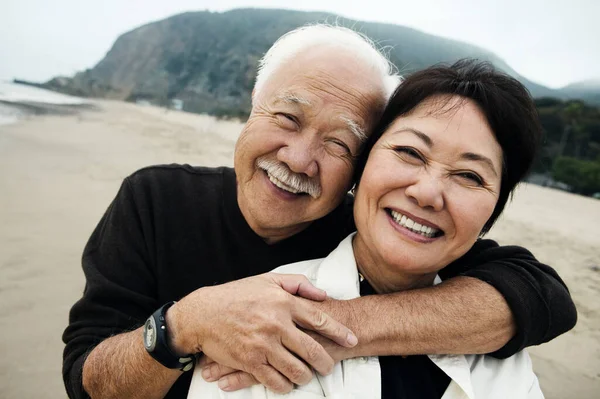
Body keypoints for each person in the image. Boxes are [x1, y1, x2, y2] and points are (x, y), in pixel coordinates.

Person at [62, 25, 575, 399]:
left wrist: (314, 325)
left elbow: (540, 295)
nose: (297, 159)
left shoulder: (379, 231)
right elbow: (88, 380)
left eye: (339, 143)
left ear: (362, 167)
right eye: (287, 116)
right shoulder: (157, 199)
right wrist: (186, 324)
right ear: (252, 106)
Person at [188, 59, 546, 398]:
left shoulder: (503, 355)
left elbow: (541, 289)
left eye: (469, 176)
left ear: (493, 211)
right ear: (360, 168)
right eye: (410, 153)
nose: (426, 194)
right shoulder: (256, 327)